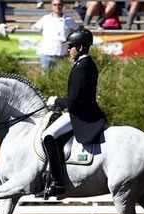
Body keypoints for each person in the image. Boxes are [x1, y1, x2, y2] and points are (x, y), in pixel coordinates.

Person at [36, 28, 107, 199]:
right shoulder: (84, 64)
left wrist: (56, 102)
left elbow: (74, 100)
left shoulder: (82, 67)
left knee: (48, 136)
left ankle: (58, 182)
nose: (68, 50)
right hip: (82, 110)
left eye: (71, 47)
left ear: (81, 47)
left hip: (81, 114)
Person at [32, 0, 79, 73]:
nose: (57, 6)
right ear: (51, 6)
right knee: (45, 79)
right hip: (47, 55)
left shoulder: (69, 19)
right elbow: (34, 28)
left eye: (59, 4)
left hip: (62, 55)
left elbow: (78, 28)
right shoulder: (45, 18)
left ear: (62, 5)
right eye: (55, 4)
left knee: (60, 79)